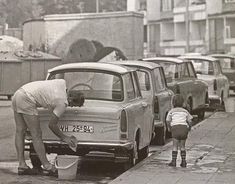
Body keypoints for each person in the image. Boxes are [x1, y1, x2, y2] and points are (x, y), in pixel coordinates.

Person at [12, 79, 84, 176]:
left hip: (18, 93)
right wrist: (65, 137)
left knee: (20, 131)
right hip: (27, 98)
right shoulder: (62, 103)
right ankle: (47, 166)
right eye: (73, 105)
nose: (70, 107)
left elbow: (47, 93)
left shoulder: (62, 82)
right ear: (70, 99)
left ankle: (22, 165)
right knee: (36, 134)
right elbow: (52, 125)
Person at [166, 94, 193, 168]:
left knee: (175, 146)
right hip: (184, 128)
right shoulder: (185, 111)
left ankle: (174, 161)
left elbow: (167, 120)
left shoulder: (171, 111)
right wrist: (189, 127)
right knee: (182, 146)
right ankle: (183, 161)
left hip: (175, 128)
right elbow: (190, 121)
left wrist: (169, 127)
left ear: (173, 102)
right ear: (182, 102)